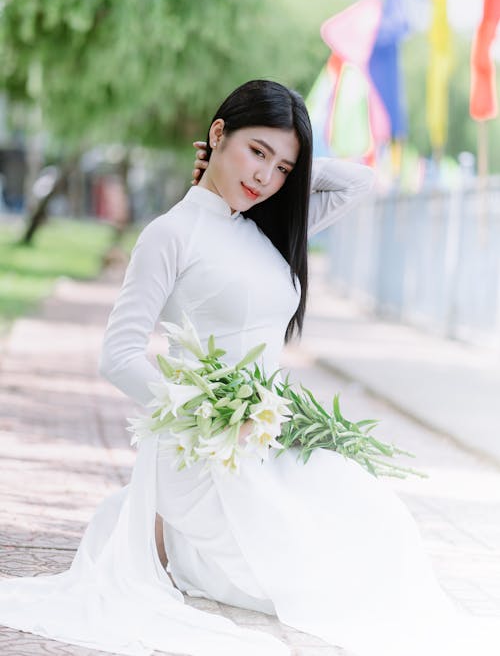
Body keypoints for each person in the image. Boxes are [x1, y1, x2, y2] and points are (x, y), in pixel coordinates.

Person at [0, 80, 496, 656]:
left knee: (375, 521)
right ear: (218, 133)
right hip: (204, 454)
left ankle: (167, 531)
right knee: (310, 581)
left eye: (284, 168)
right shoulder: (171, 235)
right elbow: (119, 354)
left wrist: (296, 159)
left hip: (266, 441)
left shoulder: (268, 232)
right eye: (257, 152)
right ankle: (172, 532)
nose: (265, 178)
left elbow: (360, 181)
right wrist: (206, 414)